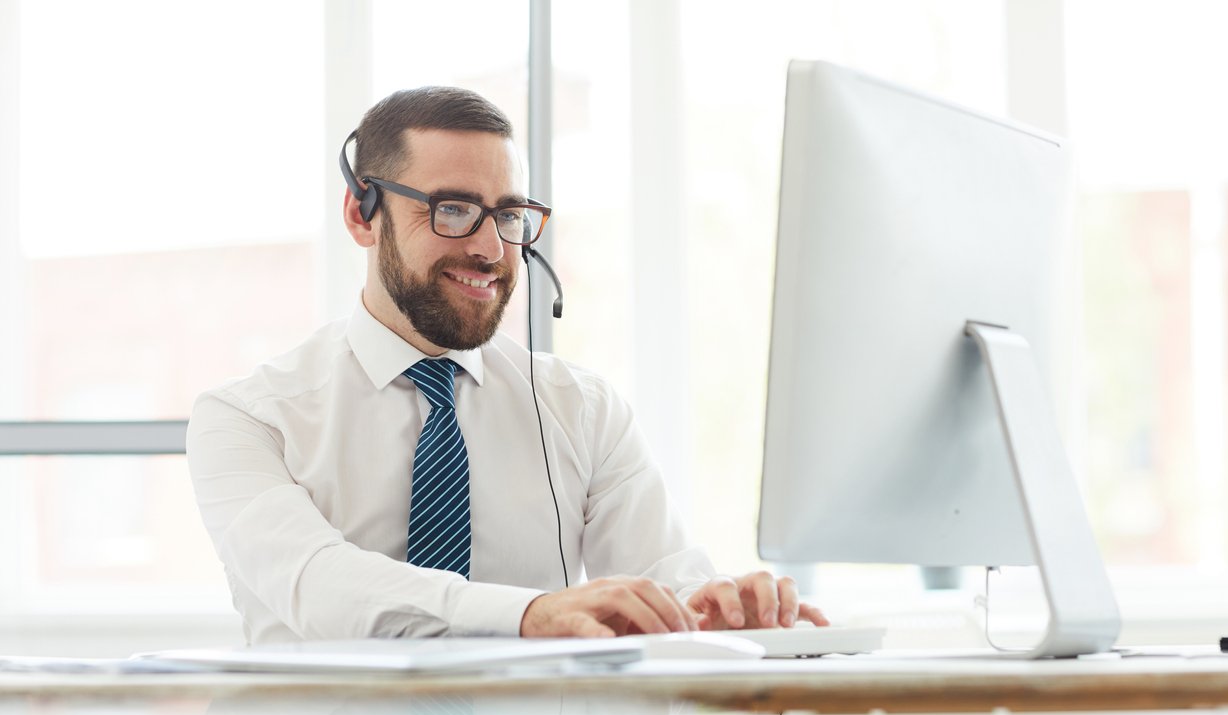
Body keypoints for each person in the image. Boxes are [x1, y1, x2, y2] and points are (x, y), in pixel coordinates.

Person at [186, 86, 827, 644]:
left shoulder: (583, 409)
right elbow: (320, 585)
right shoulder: (244, 419)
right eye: (455, 210)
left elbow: (663, 579)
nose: (493, 248)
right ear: (362, 214)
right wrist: (531, 614)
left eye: (510, 215)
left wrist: (718, 607)